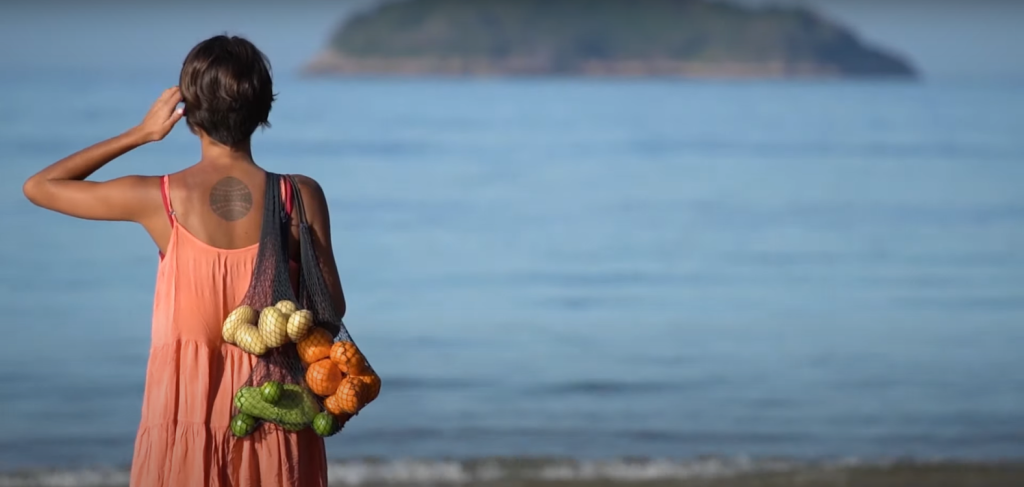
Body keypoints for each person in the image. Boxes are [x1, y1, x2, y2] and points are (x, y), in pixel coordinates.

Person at [22, 35, 346, 486]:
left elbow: (41, 186)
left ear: (189, 112)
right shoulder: (300, 196)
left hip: (183, 421)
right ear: (263, 110)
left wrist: (141, 134)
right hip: (277, 416)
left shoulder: (160, 200)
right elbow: (332, 306)